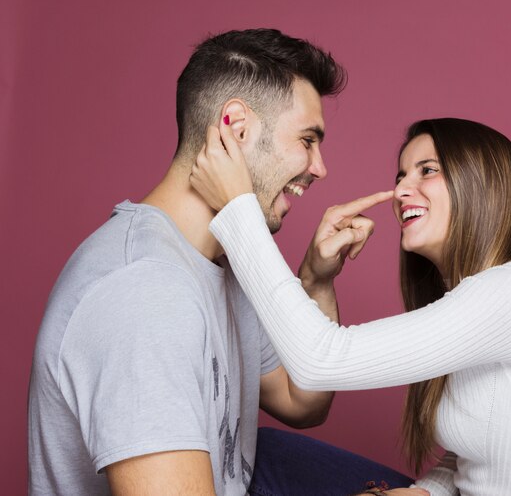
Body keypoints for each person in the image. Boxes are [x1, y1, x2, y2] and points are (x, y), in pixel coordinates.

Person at [29, 29, 417, 496]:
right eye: (308, 140)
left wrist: (315, 280)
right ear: (235, 128)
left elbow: (303, 402)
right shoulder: (144, 293)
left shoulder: (223, 263)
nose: (320, 168)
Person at [190, 116, 511, 496]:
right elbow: (479, 454)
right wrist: (427, 492)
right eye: (401, 175)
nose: (402, 190)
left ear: (480, 183)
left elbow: (319, 359)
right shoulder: (479, 297)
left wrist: (236, 209)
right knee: (270, 453)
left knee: (267, 463)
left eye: (427, 171)